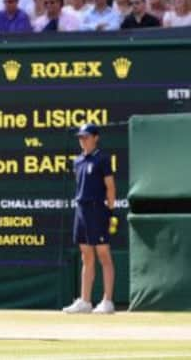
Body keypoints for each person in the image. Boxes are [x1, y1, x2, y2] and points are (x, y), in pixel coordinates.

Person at [63, 123, 116, 314]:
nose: (82, 140)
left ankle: (107, 301)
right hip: (81, 209)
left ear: (96, 137)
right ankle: (85, 301)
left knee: (103, 255)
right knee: (86, 255)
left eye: (86, 137)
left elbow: (110, 187)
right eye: (80, 137)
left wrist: (110, 212)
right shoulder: (77, 161)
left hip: (98, 210)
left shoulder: (102, 159)